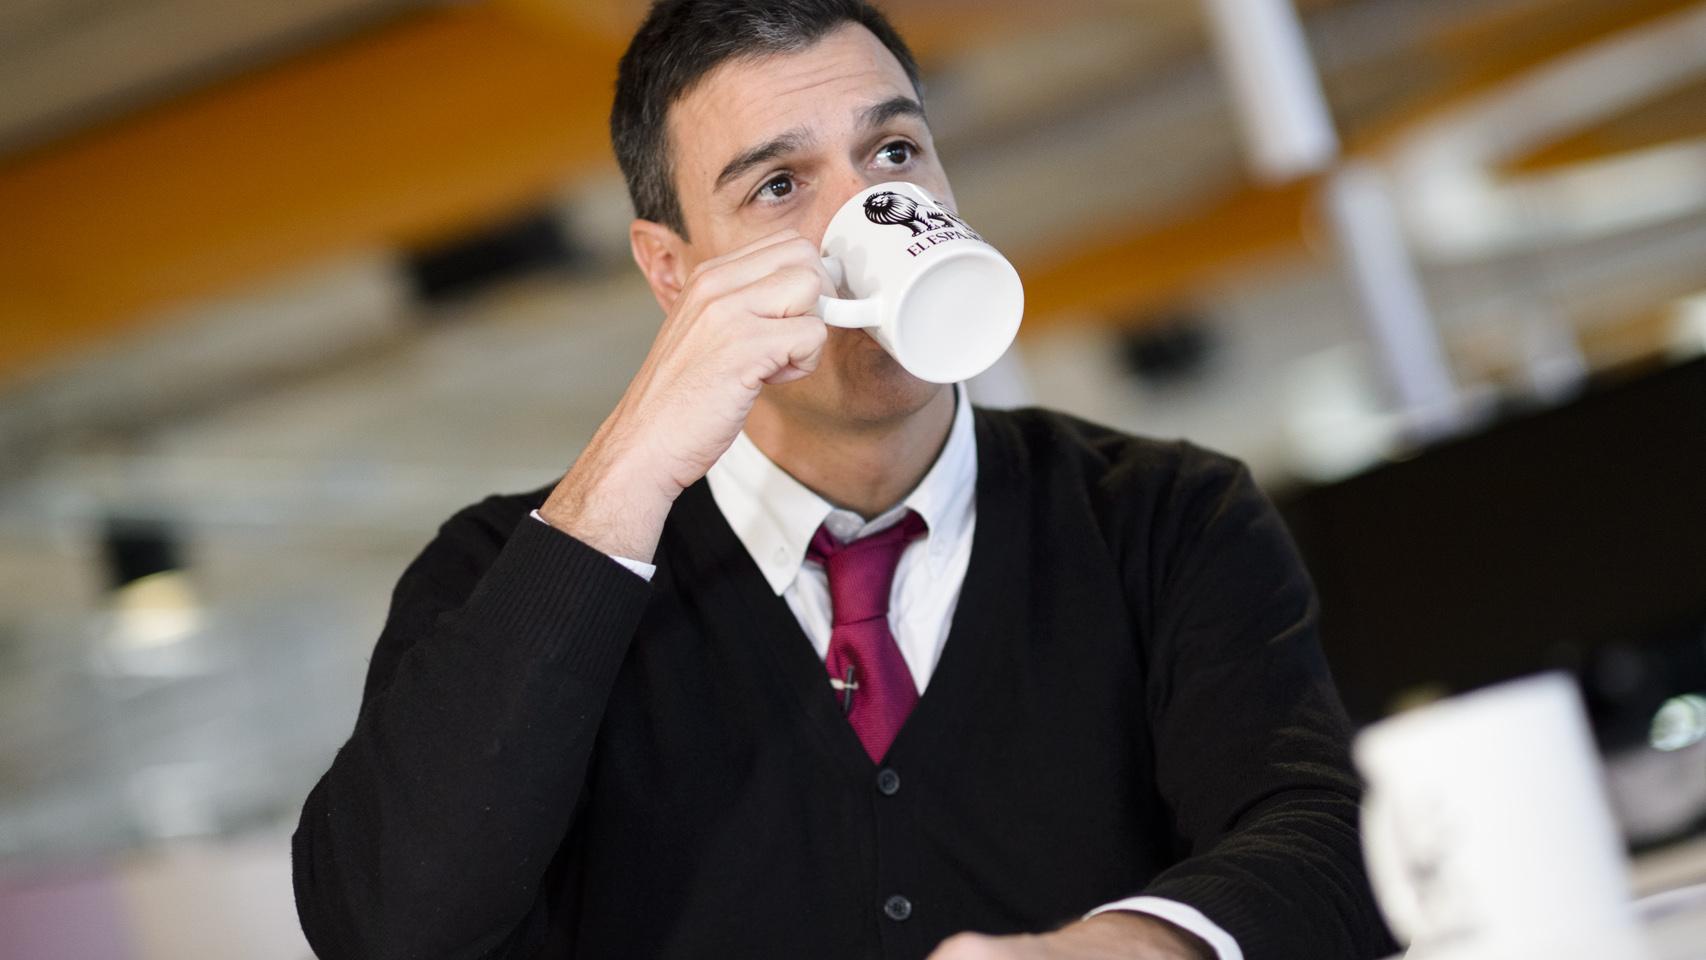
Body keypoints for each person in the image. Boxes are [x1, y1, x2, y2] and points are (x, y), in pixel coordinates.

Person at [291, 2, 1398, 958]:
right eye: (778, 185)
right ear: (671, 273)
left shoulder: (1160, 518)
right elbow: (389, 924)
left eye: (894, 154)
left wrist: (1131, 943)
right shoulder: (499, 573)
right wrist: (632, 460)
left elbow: (1323, 840)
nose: (860, 214)